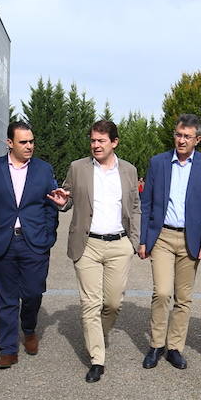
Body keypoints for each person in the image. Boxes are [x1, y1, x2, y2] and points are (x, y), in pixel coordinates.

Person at [0, 121, 70, 369]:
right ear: (9, 143)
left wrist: (48, 235)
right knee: (6, 299)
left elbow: (52, 203)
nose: (29, 146)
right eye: (23, 142)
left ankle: (29, 328)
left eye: (31, 141)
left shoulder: (43, 169)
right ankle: (8, 350)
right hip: (1, 243)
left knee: (32, 293)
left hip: (34, 243)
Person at [138, 114, 201, 370]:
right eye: (178, 134)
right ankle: (156, 345)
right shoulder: (158, 163)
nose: (181, 140)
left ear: (197, 139)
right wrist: (143, 239)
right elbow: (147, 203)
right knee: (162, 292)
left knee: (183, 297)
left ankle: (174, 347)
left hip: (191, 239)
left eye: (187, 136)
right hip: (162, 235)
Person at [61, 120, 140, 383]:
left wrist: (134, 241)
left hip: (120, 245)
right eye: (93, 140)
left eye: (101, 141)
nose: (95, 145)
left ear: (114, 142)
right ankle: (97, 358)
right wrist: (63, 202)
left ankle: (97, 332)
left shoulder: (128, 170)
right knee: (90, 303)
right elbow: (67, 196)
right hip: (88, 245)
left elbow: (136, 206)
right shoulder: (78, 168)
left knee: (113, 303)